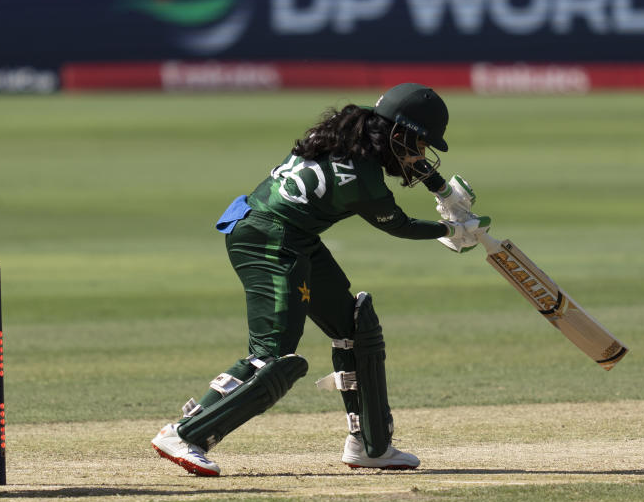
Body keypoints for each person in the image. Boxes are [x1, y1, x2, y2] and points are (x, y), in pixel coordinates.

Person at [151, 83, 489, 476]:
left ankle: (370, 445)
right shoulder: (363, 180)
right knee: (273, 356)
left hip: (293, 236)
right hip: (268, 240)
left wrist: (442, 191)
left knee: (355, 327)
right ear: (397, 134)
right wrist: (449, 231)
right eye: (418, 145)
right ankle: (186, 433)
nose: (419, 156)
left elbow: (403, 160)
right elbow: (398, 225)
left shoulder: (352, 126)